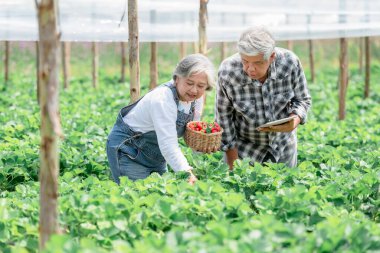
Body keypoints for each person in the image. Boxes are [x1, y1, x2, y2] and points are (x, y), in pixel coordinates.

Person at [106, 54, 215, 185]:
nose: (194, 90)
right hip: (129, 152)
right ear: (177, 79)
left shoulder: (196, 98)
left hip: (157, 156)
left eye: (201, 86)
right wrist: (187, 173)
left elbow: (191, 130)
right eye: (189, 83)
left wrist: (200, 148)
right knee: (136, 196)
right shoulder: (162, 99)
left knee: (159, 197)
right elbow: (168, 144)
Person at [215, 26, 312, 170]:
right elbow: (224, 119)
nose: (250, 69)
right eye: (245, 61)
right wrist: (233, 166)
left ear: (272, 57)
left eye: (258, 63)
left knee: (286, 189)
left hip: (283, 146)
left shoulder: (290, 63)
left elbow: (303, 99)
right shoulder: (228, 72)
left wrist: (294, 119)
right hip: (245, 151)